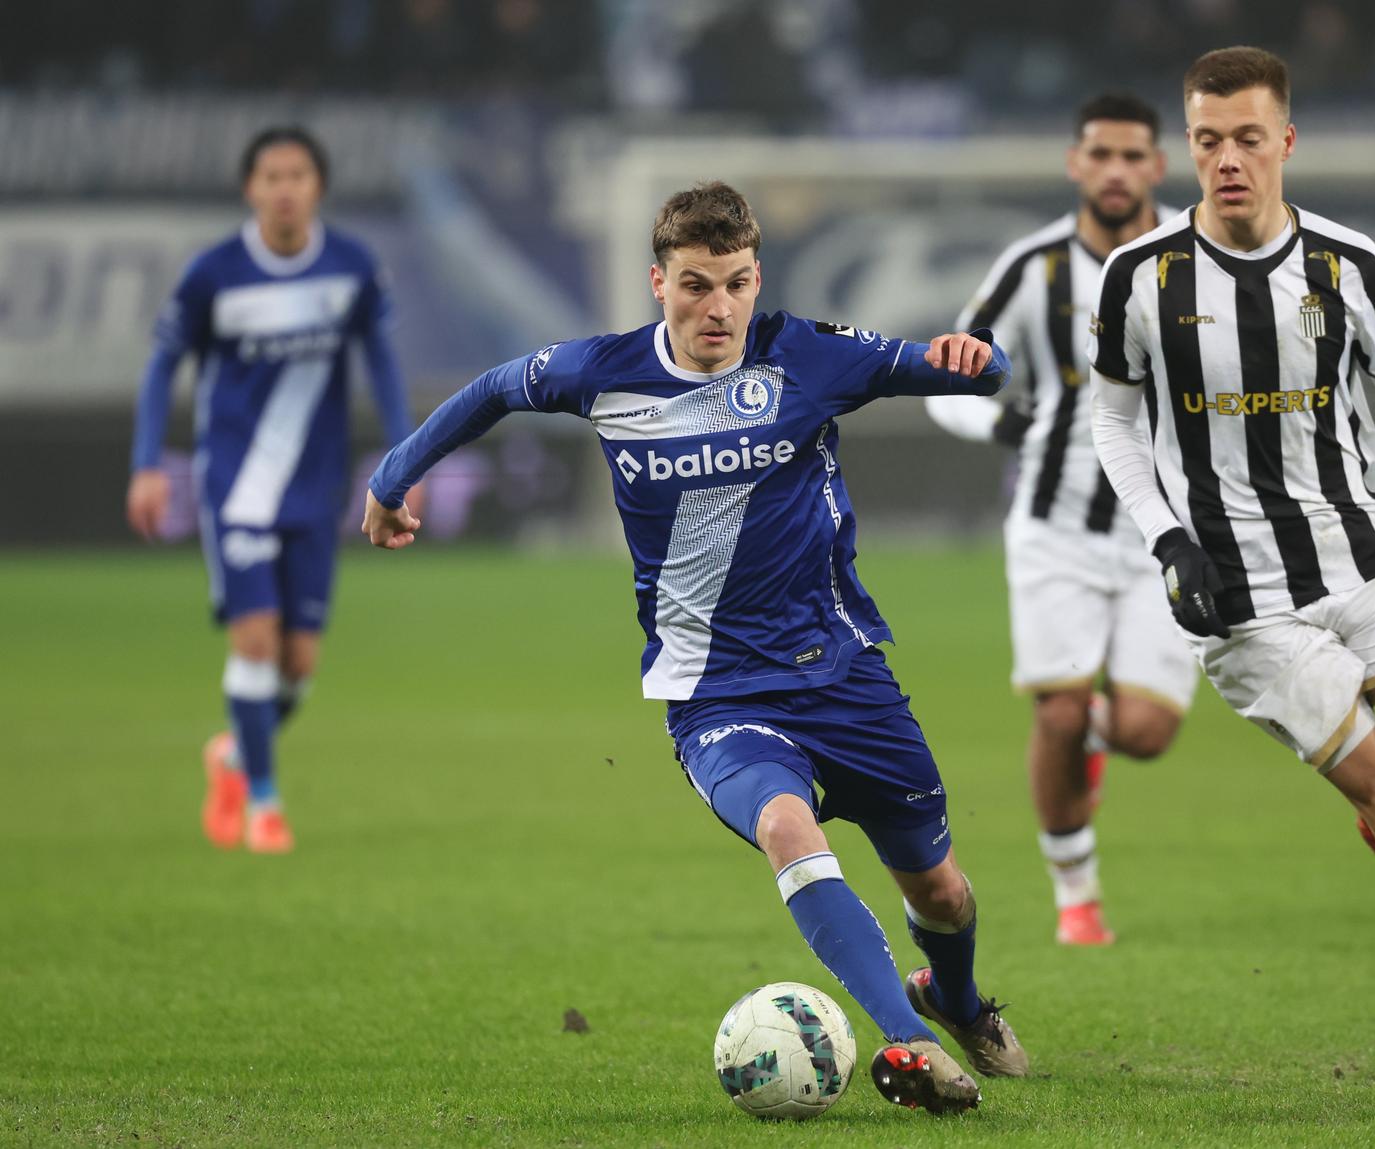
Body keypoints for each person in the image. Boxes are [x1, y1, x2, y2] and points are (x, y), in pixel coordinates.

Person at [361, 182, 1027, 1113]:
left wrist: (975, 356)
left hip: (845, 675)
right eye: (696, 285)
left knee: (943, 893)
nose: (718, 308)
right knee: (785, 828)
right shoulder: (601, 371)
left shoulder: (809, 356)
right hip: (716, 696)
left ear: (759, 279)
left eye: (738, 284)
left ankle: (951, 1000)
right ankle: (909, 1043)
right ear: (657, 282)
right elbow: (488, 391)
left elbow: (972, 372)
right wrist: (394, 478)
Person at [1088, 47, 1375, 1068]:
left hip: (1368, 565)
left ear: (1286, 142)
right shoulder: (1143, 276)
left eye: (1248, 139)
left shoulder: (1348, 265)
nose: (1227, 161)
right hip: (1242, 603)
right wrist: (1168, 538)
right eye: (1208, 140)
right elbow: (1114, 426)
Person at [927, 92, 1196, 947]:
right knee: (1057, 711)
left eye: (1132, 156)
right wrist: (1001, 419)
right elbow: (948, 373)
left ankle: (1090, 739)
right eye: (1099, 154)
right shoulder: (1033, 265)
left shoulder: (1203, 256)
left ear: (1157, 166)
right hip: (1054, 529)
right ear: (1075, 164)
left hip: (1170, 531)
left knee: (1148, 733)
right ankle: (1076, 892)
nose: (1115, 170)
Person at [126, 126, 416, 854]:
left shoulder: (351, 268)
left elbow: (381, 363)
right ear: (249, 188)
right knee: (254, 641)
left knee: (298, 665)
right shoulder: (214, 274)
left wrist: (406, 453)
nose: (284, 188)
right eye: (270, 176)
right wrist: (148, 462)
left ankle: (232, 754)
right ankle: (263, 800)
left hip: (316, 491)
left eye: (297, 175)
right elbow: (163, 367)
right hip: (238, 490)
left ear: (317, 186)